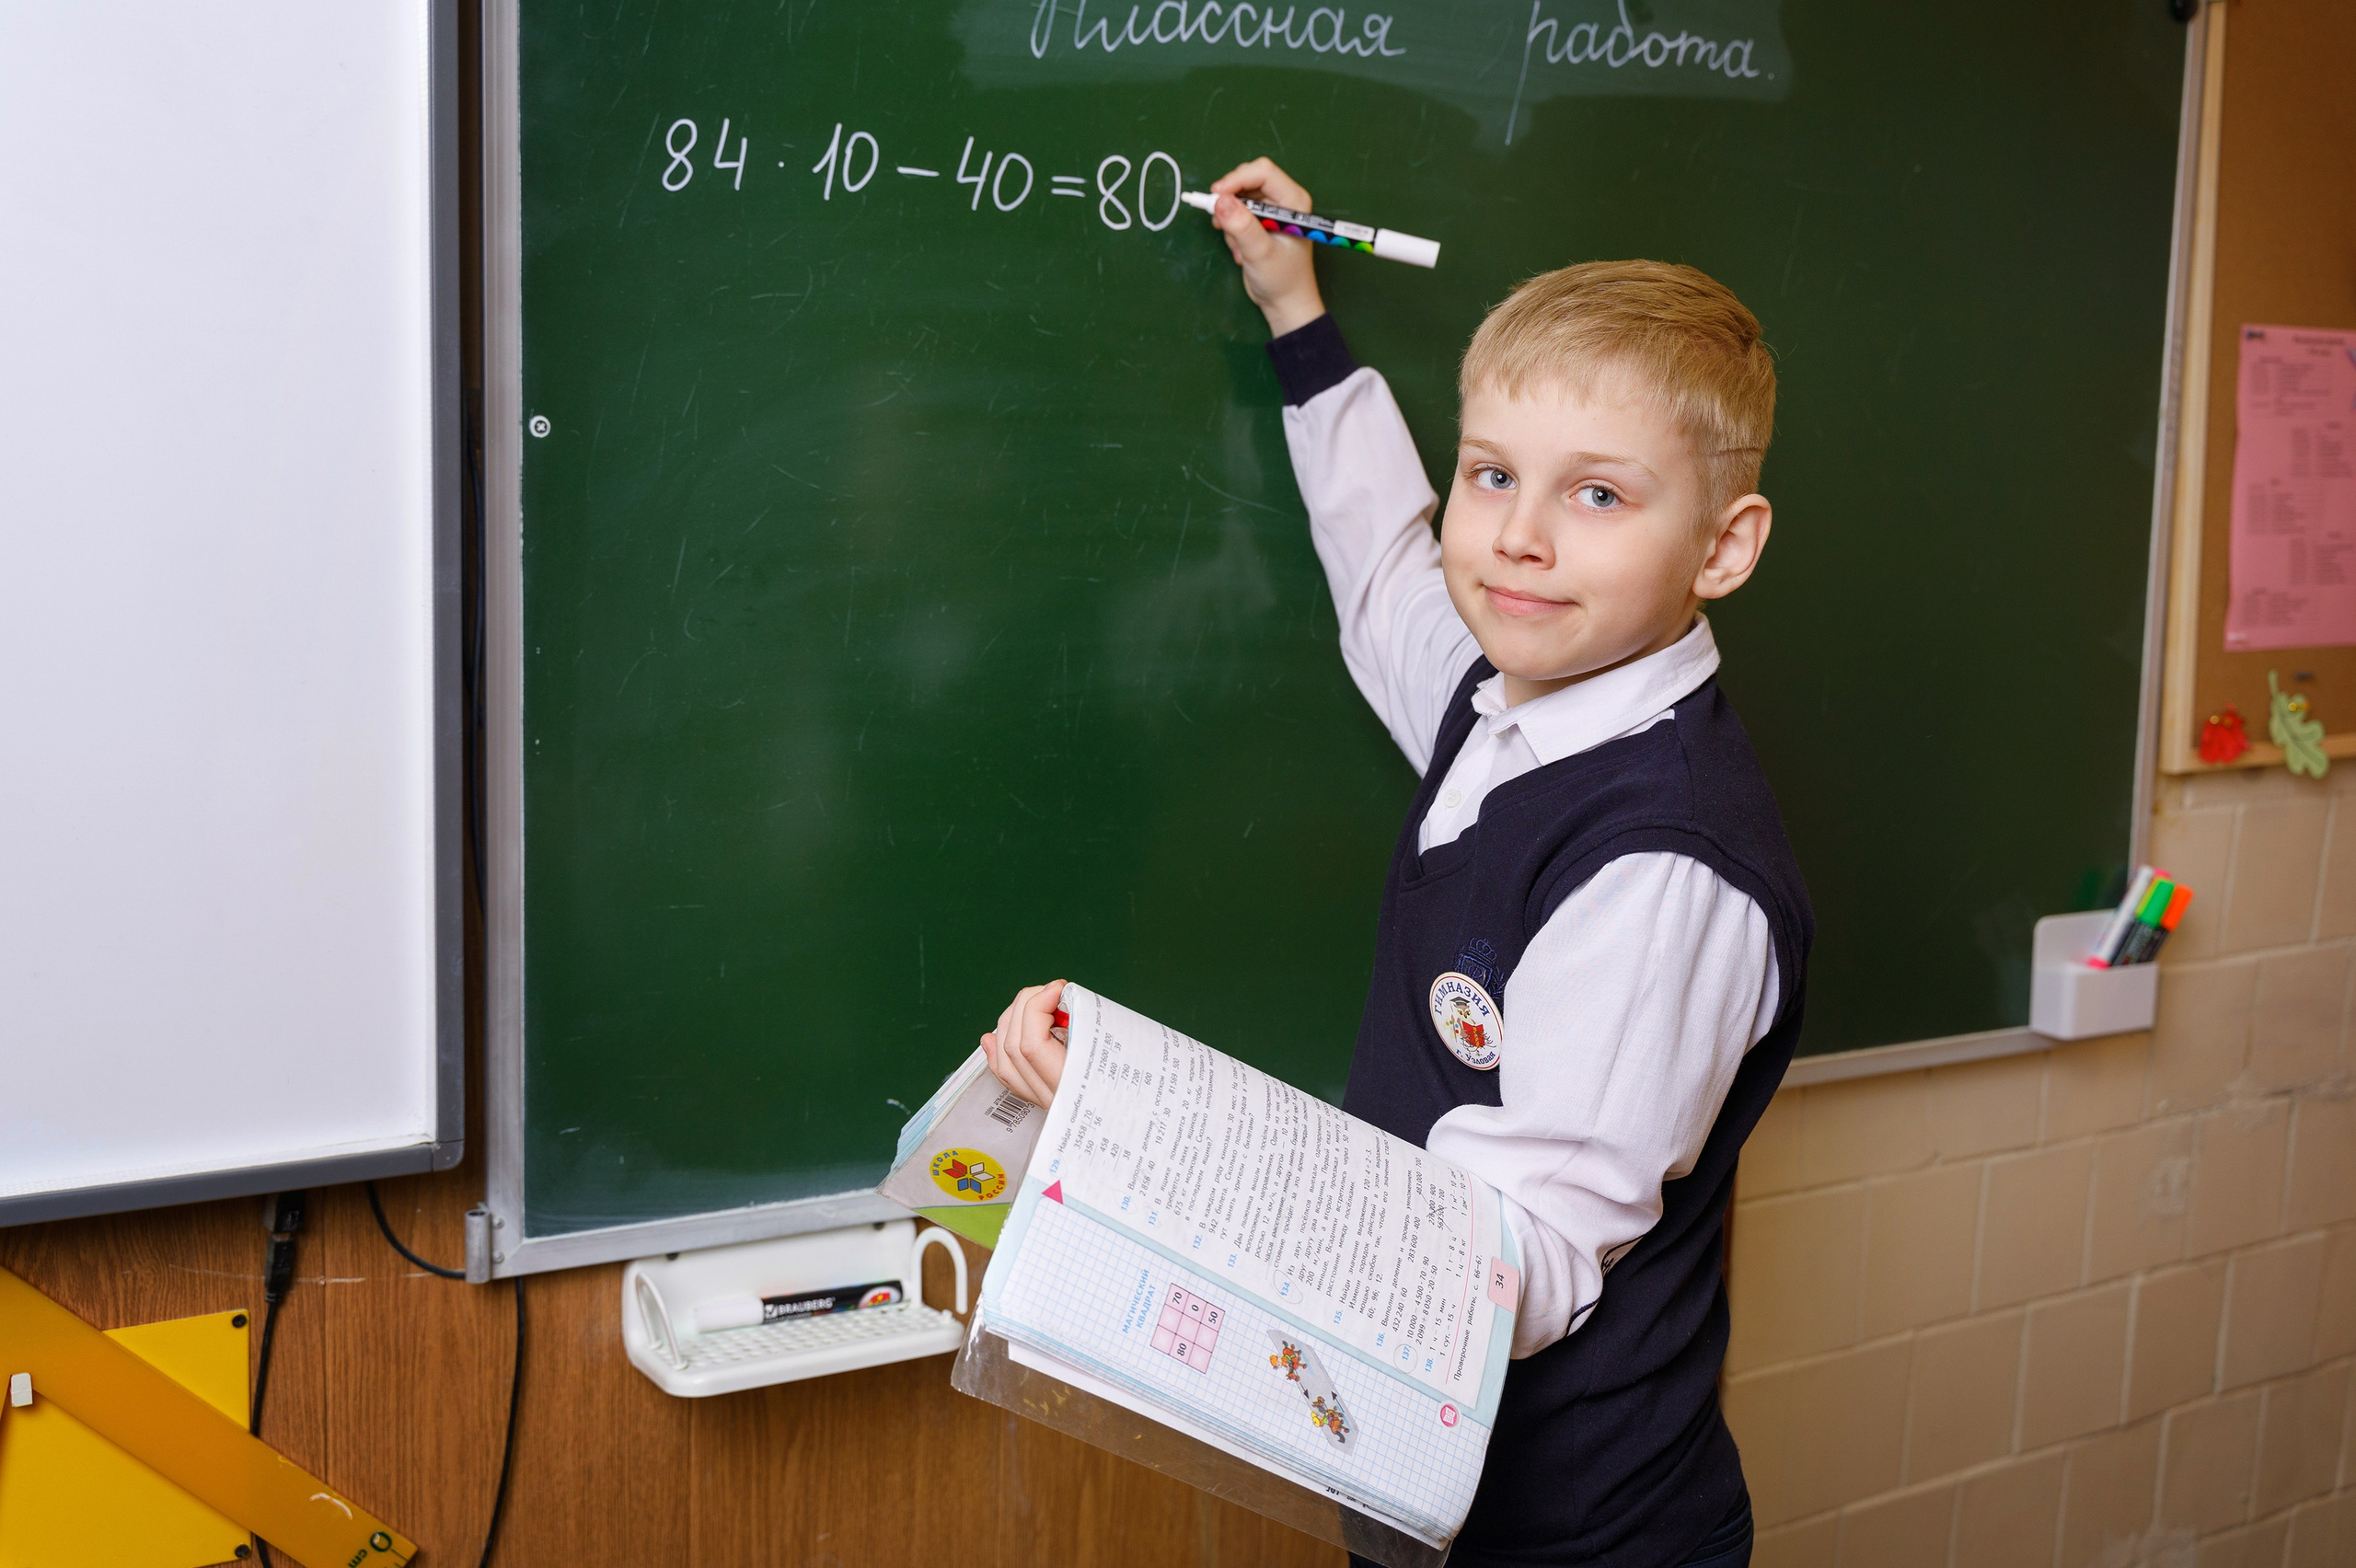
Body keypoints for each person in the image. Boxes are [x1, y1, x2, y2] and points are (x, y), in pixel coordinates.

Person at [982, 156, 1811, 1568]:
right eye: (1492, 474)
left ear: (1723, 547)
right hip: (1423, 1480)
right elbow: (1384, 574)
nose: (1519, 537)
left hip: (1578, 1537)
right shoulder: (1499, 702)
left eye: (1598, 494)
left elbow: (1520, 1259)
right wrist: (1295, 313)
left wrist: (1151, 1142)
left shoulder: (1661, 871)